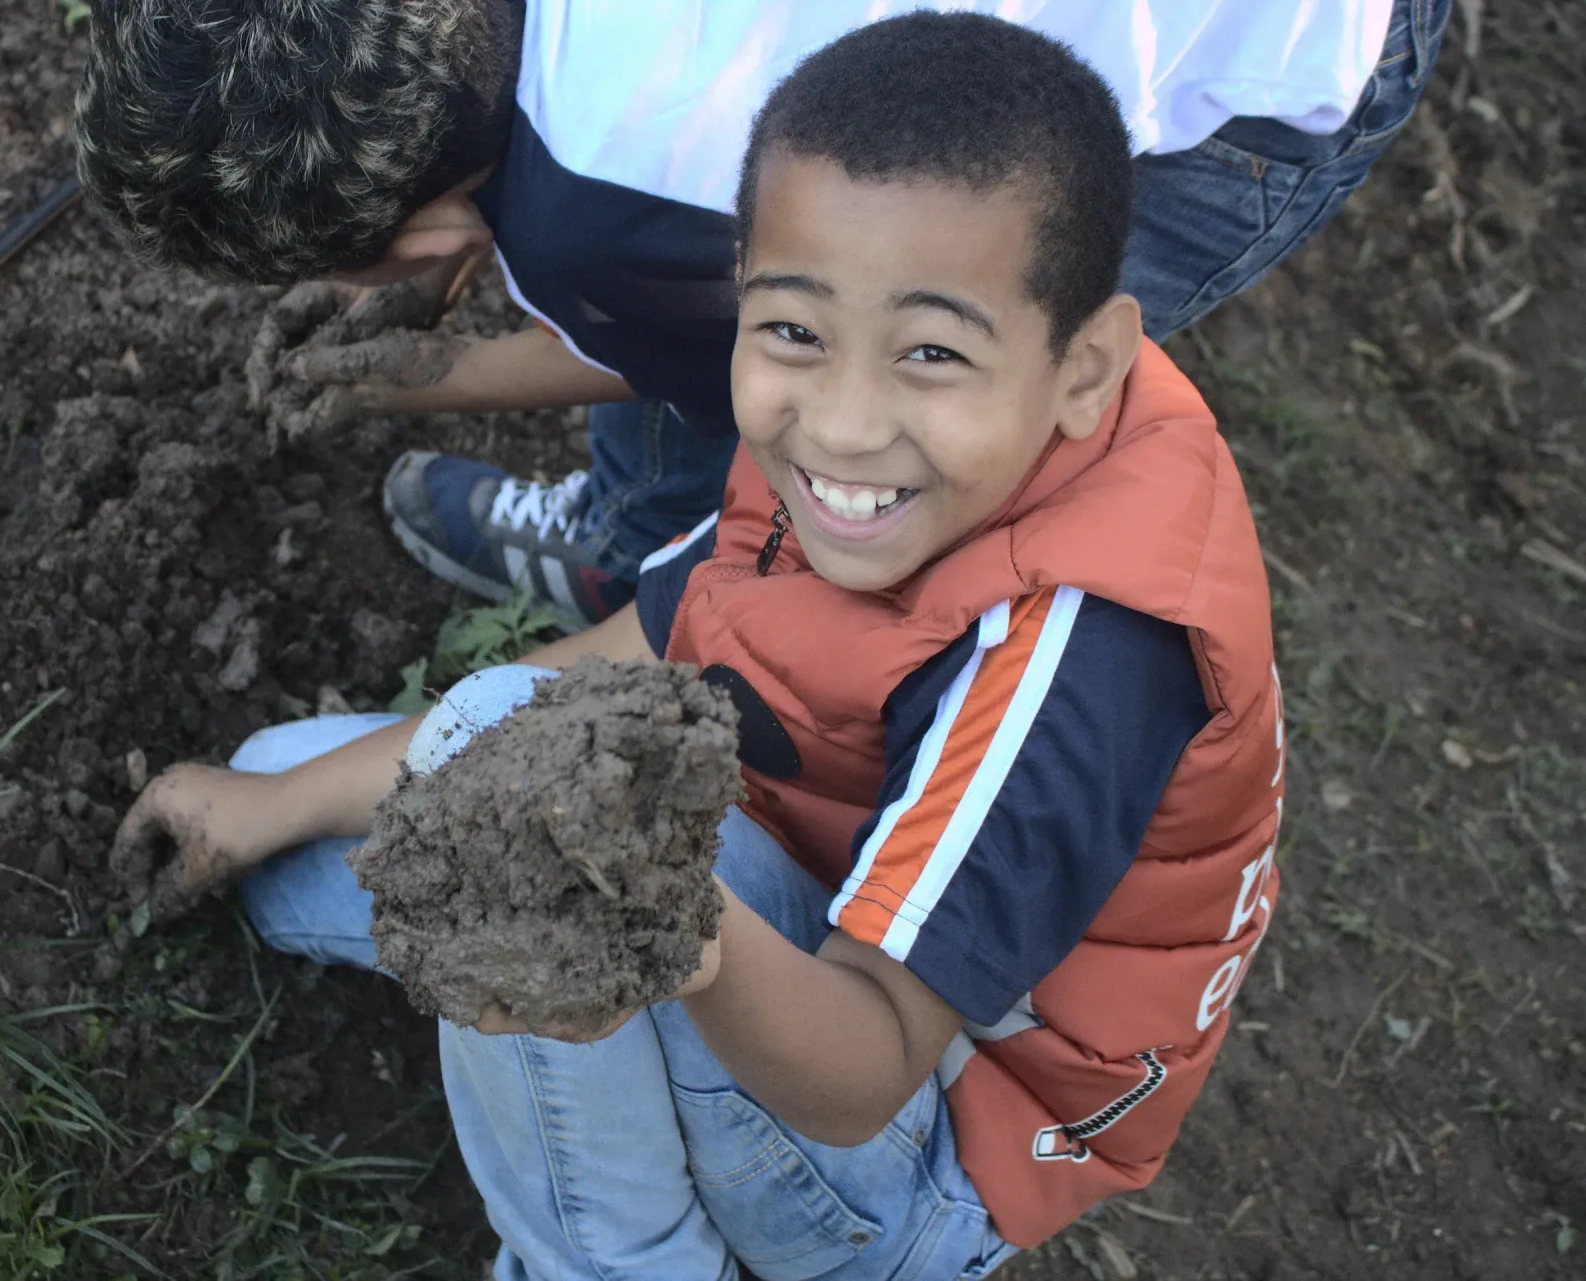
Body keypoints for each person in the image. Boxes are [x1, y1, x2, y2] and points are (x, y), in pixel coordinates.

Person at [110, 13, 1286, 1278]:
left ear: (1085, 368)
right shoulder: (847, 460)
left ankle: (614, 1261)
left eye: (932, 354)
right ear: (747, 290)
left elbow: (862, 1071)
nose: (839, 422)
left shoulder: (1077, 652)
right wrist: (273, 803)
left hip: (933, 1137)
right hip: (795, 871)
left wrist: (650, 913)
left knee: (514, 827)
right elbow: (642, 644)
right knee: (295, 846)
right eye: (791, 331)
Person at [76, 0, 1448, 628]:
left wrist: (402, 376)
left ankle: (665, 579)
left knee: (836, 401)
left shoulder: (594, 213)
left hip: (1267, 98)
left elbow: (681, 354)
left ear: (424, 231)